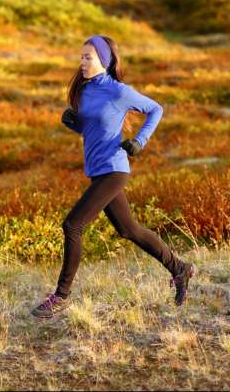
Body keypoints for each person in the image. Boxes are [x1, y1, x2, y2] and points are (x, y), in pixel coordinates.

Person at [31, 34, 195, 319]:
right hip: (98, 170)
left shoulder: (119, 91)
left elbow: (156, 109)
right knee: (128, 229)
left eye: (88, 57)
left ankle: (61, 296)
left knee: (72, 225)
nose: (82, 62)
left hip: (114, 169)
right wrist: (75, 124)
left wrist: (139, 141)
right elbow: (95, 129)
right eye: (81, 57)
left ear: (104, 62)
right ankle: (179, 268)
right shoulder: (86, 91)